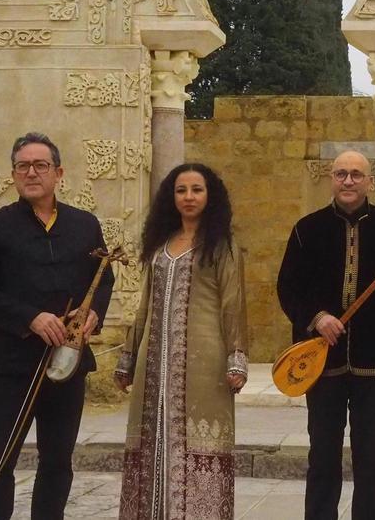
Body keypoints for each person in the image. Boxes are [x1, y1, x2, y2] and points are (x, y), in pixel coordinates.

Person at [0, 132, 114, 520]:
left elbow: (103, 277)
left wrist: (94, 314)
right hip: (12, 365)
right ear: (13, 174)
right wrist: (30, 317)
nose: (31, 173)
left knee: (57, 460)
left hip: (68, 363)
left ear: (58, 172)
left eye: (40, 165)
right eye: (22, 166)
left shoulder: (85, 224)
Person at [276, 150, 375, 520]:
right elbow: (288, 288)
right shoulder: (306, 229)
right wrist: (317, 317)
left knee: (370, 457)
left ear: (369, 181)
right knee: (323, 455)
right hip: (322, 363)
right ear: (331, 179)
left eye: (356, 174)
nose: (348, 181)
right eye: (341, 174)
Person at [114, 162, 248, 519]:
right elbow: (144, 302)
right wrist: (129, 354)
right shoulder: (159, 246)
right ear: (171, 198)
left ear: (210, 195)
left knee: (201, 444)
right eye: (181, 190)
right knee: (149, 444)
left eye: (197, 190)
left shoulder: (221, 245)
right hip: (152, 363)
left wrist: (236, 357)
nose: (189, 197)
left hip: (204, 364)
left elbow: (233, 303)